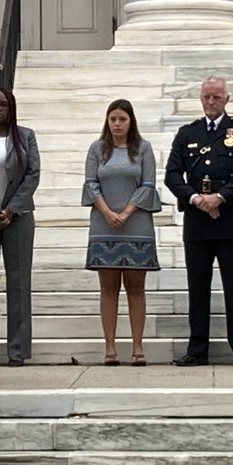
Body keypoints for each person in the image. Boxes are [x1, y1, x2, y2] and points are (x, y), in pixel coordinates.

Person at [165, 76, 233, 367]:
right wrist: (197, 200)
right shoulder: (187, 133)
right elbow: (172, 174)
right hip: (198, 222)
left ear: (227, 99)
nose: (210, 102)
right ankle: (197, 350)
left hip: (230, 221)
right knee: (198, 288)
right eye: (206, 96)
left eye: (216, 97)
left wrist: (221, 197)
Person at [83, 99, 162, 367]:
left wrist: (126, 212)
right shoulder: (97, 149)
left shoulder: (143, 149)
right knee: (108, 287)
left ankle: (138, 347)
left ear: (131, 122)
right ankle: (110, 348)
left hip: (136, 225)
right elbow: (91, 183)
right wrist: (107, 212)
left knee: (136, 287)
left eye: (122, 119)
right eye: (113, 119)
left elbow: (148, 184)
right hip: (104, 225)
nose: (117, 124)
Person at [0, 88, 40, 367]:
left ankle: (17, 350)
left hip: (19, 217)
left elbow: (33, 173)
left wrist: (12, 209)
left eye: (3, 104)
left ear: (12, 108)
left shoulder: (25, 136)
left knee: (19, 282)